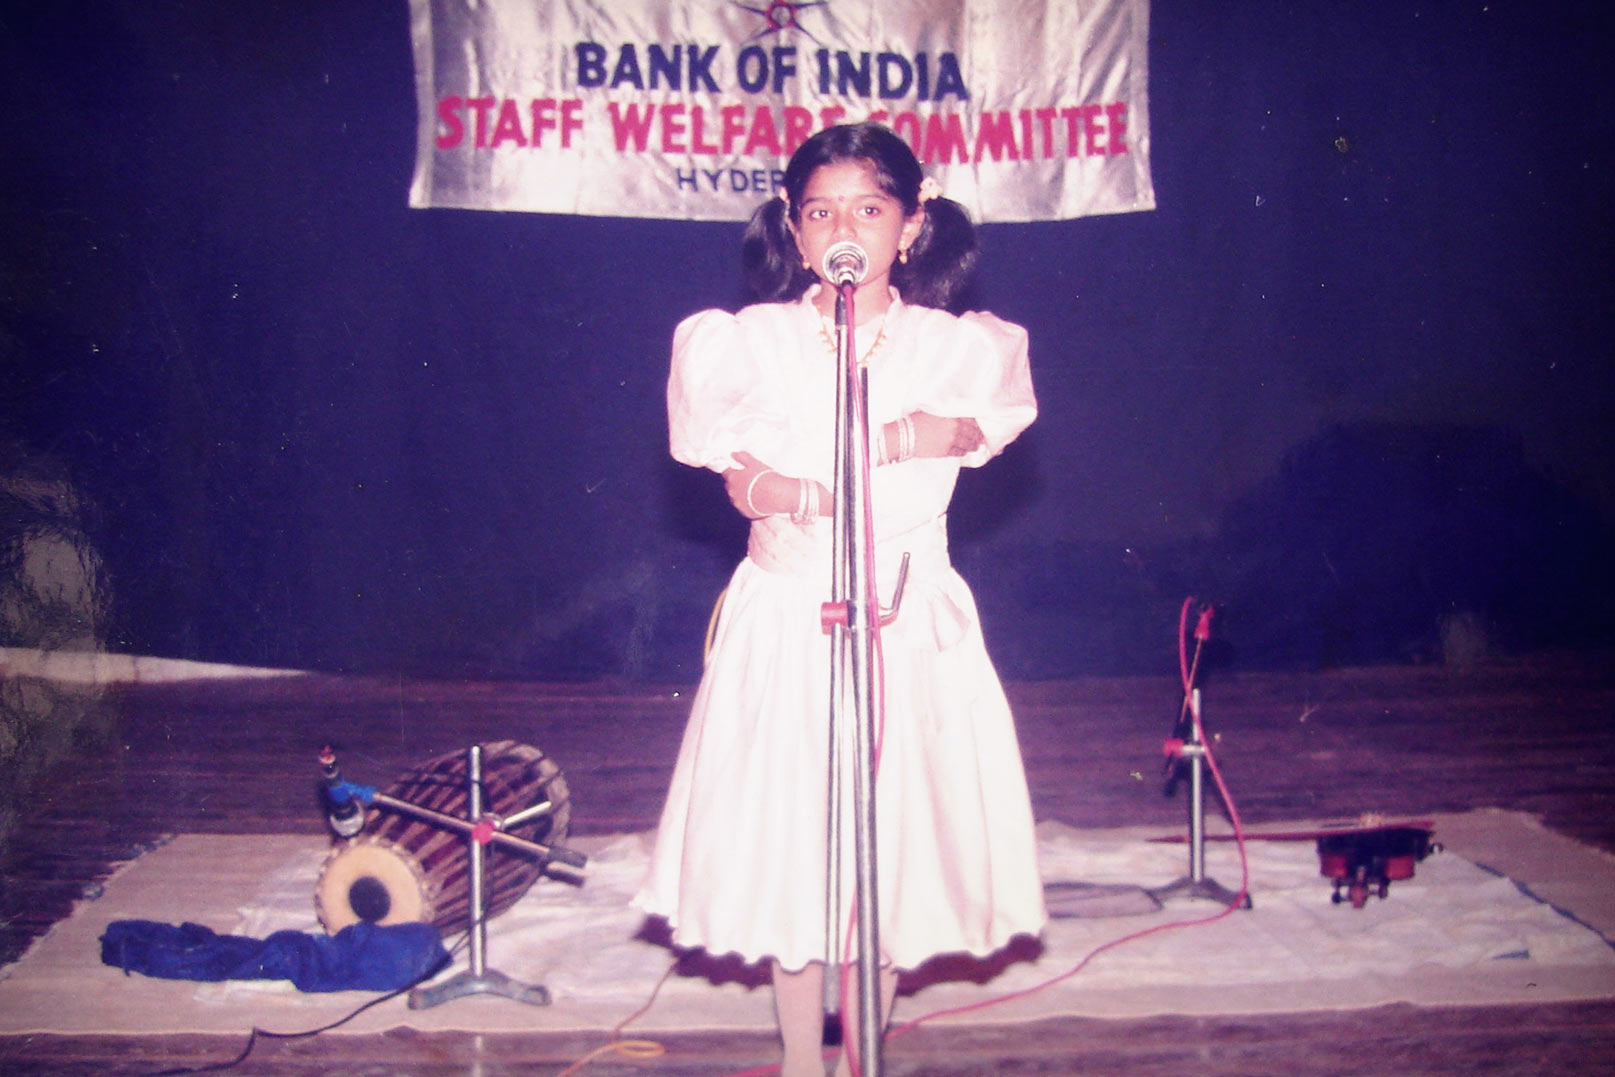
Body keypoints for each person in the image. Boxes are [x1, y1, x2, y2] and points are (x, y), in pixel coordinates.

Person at [634, 122, 1046, 1076]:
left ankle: (866, 1056)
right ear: (792, 224)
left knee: (888, 854)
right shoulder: (752, 342)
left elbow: (976, 424)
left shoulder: (956, 348)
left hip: (908, 622)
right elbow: (732, 466)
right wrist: (771, 487)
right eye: (819, 211)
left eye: (870, 208)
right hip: (789, 622)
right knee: (794, 853)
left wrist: (908, 433)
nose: (843, 228)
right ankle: (798, 1060)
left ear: (911, 225)